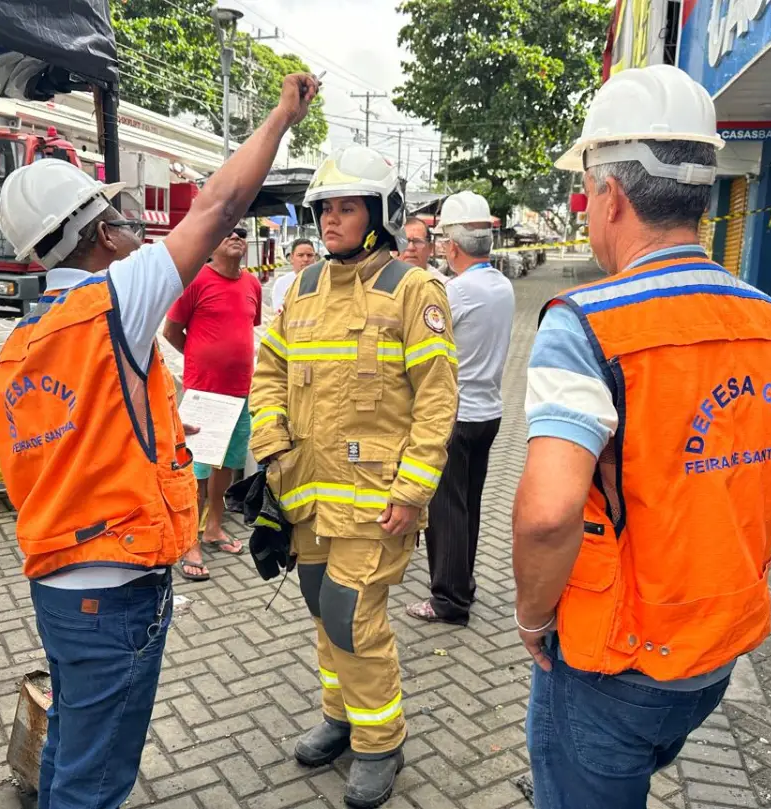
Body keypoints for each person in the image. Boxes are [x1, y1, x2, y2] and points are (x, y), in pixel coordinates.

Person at [0, 74, 319, 809]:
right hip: (115, 592)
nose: (129, 224)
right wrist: (282, 116)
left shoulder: (22, 340)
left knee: (75, 743)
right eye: (114, 215)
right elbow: (220, 205)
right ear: (96, 231)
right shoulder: (113, 299)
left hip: (56, 583)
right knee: (94, 779)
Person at [513, 64, 771, 809]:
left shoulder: (586, 325)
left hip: (612, 661)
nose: (585, 213)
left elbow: (548, 514)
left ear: (611, 196)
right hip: (716, 653)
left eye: (586, 196)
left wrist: (531, 617)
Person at [249, 145, 458, 809]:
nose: (332, 220)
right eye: (326, 209)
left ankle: (380, 742)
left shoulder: (413, 289)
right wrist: (273, 448)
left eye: (346, 207)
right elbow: (269, 373)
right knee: (322, 611)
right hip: (308, 495)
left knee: (352, 617)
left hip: (377, 504)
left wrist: (413, 490)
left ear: (380, 213)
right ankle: (341, 717)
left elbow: (436, 400)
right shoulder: (302, 291)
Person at [406, 191, 514, 626]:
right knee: (467, 505)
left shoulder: (456, 292)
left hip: (454, 415)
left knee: (445, 512)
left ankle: (449, 600)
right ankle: (462, 582)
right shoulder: (501, 285)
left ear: (450, 247)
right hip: (488, 412)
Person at [162, 227, 264, 580]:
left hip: (240, 393)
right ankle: (189, 540)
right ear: (210, 244)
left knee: (227, 466)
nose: (237, 234)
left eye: (241, 231)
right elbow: (171, 332)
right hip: (205, 393)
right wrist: (199, 359)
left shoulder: (252, 285)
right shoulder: (195, 282)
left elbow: (247, 329)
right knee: (197, 470)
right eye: (227, 232)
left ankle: (214, 528)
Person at [271, 237, 318, 313]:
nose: (305, 259)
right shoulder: (282, 283)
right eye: (300, 255)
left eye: (309, 255)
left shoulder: (323, 280)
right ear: (292, 258)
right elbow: (279, 313)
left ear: (315, 258)